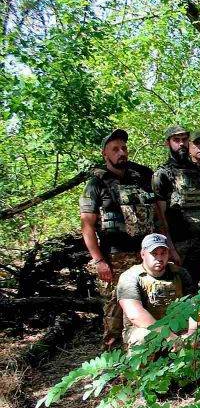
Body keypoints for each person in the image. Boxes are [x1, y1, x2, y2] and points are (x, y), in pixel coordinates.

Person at [79, 128, 155, 350]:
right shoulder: (96, 184)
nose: (121, 152)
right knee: (114, 310)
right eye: (115, 149)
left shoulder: (140, 179)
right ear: (105, 154)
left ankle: (142, 354)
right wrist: (99, 260)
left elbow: (156, 216)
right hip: (114, 256)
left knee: (145, 304)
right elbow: (87, 225)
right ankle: (112, 360)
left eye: (124, 148)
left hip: (143, 254)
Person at [152, 125, 200, 282]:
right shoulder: (162, 174)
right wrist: (170, 248)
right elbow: (160, 216)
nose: (181, 144)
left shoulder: (197, 171)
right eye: (176, 140)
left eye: (184, 140)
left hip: (199, 243)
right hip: (178, 243)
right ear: (168, 143)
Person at [116, 233, 195, 348]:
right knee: (143, 337)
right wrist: (169, 336)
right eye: (154, 253)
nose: (159, 258)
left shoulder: (180, 273)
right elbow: (135, 315)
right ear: (143, 254)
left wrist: (191, 333)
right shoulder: (130, 277)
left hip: (178, 329)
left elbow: (193, 305)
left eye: (163, 253)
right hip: (145, 329)